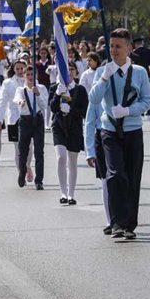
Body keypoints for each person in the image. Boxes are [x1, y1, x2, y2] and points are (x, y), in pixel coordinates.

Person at [89, 28, 150, 239]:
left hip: (133, 130)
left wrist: (128, 110)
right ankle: (116, 222)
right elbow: (94, 99)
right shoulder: (103, 71)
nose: (114, 50)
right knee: (116, 175)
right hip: (110, 130)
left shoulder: (140, 72)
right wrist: (104, 79)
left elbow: (146, 101)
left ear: (129, 48)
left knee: (133, 177)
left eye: (118, 46)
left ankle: (129, 224)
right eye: (111, 46)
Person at [50, 63, 89, 205]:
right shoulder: (55, 88)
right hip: (59, 126)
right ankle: (63, 192)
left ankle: (71, 194)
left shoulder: (80, 90)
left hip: (74, 127)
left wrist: (71, 110)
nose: (69, 72)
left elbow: (85, 111)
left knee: (72, 161)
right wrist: (57, 94)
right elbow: (53, 108)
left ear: (76, 73)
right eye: (66, 70)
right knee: (61, 157)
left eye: (72, 69)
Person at [14, 66, 48, 190]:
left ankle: (39, 180)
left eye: (32, 74)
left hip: (37, 120)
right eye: (27, 74)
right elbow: (16, 98)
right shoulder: (20, 89)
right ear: (24, 76)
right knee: (23, 151)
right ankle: (22, 172)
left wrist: (37, 95)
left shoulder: (41, 88)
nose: (30, 77)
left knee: (39, 151)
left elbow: (44, 105)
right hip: (25, 121)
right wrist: (20, 102)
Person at [0, 60, 30, 172]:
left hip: (29, 118)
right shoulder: (7, 83)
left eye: (22, 68)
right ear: (13, 69)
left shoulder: (31, 81)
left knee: (30, 148)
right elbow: (2, 101)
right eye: (17, 69)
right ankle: (21, 172)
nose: (20, 71)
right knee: (18, 149)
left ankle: (27, 166)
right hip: (14, 119)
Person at [85, 100, 112, 234]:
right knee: (105, 181)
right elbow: (89, 123)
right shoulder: (96, 95)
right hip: (101, 136)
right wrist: (89, 152)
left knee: (120, 179)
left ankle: (121, 218)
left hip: (119, 135)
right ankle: (110, 221)